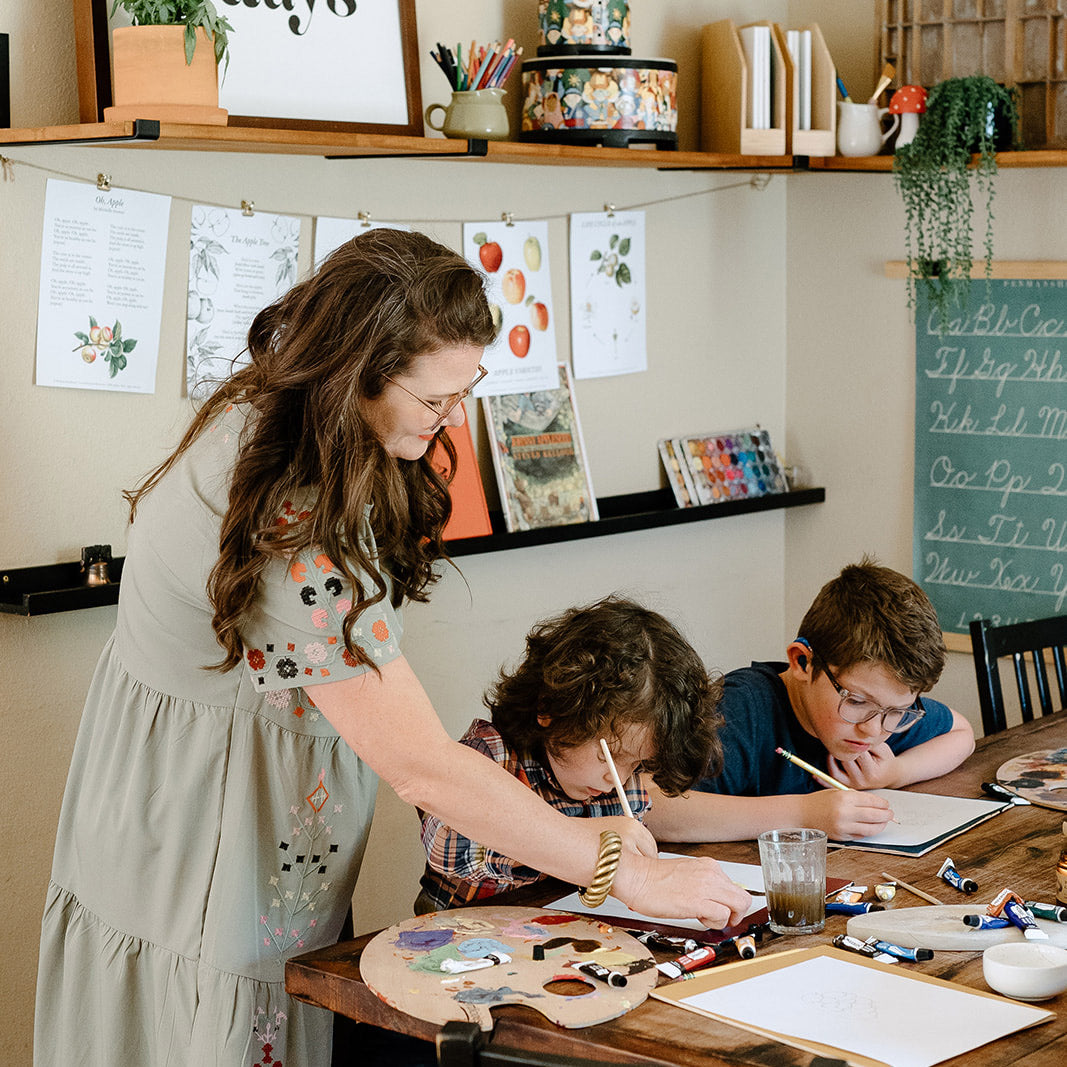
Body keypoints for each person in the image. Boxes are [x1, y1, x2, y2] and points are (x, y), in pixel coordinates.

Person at [34, 229, 749, 1067]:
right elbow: (420, 764)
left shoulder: (291, 426)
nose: (454, 418)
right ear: (357, 369)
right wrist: (617, 871)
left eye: (466, 391)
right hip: (201, 828)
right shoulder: (292, 513)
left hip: (235, 813)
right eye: (436, 398)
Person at [416, 595, 731, 913]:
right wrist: (584, 842)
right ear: (550, 708)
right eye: (610, 755)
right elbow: (447, 845)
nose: (616, 777)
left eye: (635, 762)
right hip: (466, 940)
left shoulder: (621, 781)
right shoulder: (491, 755)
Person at [686, 558, 976, 841]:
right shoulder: (742, 709)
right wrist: (802, 813)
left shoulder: (879, 716)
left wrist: (894, 773)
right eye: (857, 702)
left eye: (898, 711)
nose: (874, 731)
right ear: (802, 662)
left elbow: (962, 733)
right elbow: (654, 807)